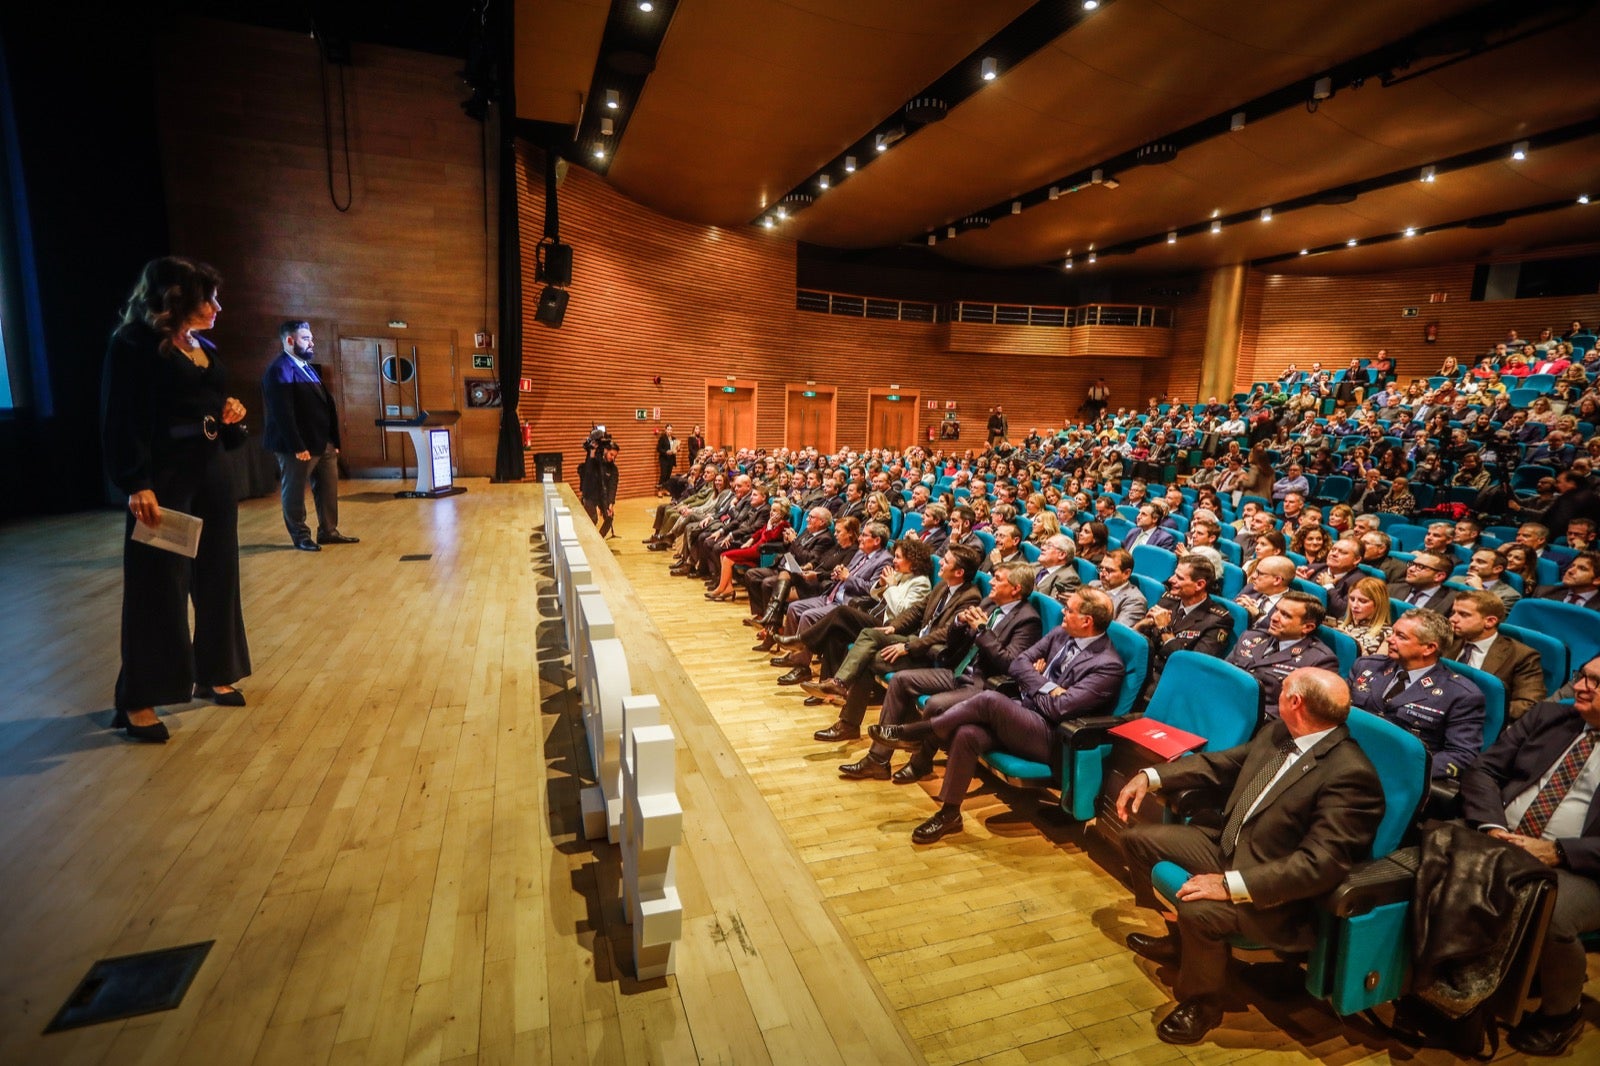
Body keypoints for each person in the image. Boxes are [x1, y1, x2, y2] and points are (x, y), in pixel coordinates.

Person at [1116, 668, 1384, 1045]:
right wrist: (1152, 776)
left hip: (1278, 895)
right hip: (1231, 848)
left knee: (1199, 909)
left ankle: (1203, 1001)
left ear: (1295, 703)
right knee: (1138, 840)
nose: (1277, 691)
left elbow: (1319, 865)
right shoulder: (1280, 732)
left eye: (1284, 687)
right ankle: (1181, 941)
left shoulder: (1350, 775)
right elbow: (1221, 764)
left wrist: (1229, 886)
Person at [101, 257, 252, 742]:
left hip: (212, 473)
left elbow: (208, 410)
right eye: (207, 297)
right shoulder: (133, 345)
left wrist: (229, 414)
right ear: (176, 299)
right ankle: (139, 698)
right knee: (158, 586)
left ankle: (214, 670)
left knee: (218, 575)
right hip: (165, 479)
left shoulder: (199, 345)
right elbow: (121, 418)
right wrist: (135, 481)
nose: (217, 306)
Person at [869, 588, 1124, 844]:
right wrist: (1045, 686)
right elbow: (1018, 664)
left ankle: (917, 733)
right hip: (1023, 712)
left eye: (1069, 609)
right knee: (968, 733)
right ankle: (949, 813)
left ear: (1087, 621)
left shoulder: (1107, 665)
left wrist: (1030, 684)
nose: (1062, 612)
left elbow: (1060, 710)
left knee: (990, 699)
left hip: (1052, 736)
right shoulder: (1061, 633)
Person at [1459, 657, 1600, 1056]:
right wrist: (1492, 826)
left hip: (1582, 868)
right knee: (1436, 859)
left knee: (1549, 911)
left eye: (1596, 682)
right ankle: (1452, 975)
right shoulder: (1551, 717)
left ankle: (1561, 1012)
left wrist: (1558, 851)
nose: (1581, 687)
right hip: (1503, 837)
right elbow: (1484, 770)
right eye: (1582, 676)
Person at [842, 558, 1042, 782]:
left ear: (1015, 589)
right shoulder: (989, 603)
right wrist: (958, 622)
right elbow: (956, 642)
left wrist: (984, 630)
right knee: (900, 680)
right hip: (956, 671)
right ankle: (877, 760)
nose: (991, 582)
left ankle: (920, 763)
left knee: (935, 704)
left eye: (998, 579)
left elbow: (1010, 664)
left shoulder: (1028, 620)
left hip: (983, 684)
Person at [1348, 608, 1485, 778]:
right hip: (1346, 755)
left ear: (1429, 648)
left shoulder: (1461, 695)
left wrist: (1407, 771)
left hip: (1396, 774)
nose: (1389, 639)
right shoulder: (1367, 666)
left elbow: (1462, 755)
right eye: (1393, 632)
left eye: (1401, 636)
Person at [262, 320, 357, 551]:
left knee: (327, 488)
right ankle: (300, 535)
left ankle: (328, 530)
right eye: (306, 338)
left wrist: (334, 440)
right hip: (298, 445)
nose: (311, 342)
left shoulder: (306, 367)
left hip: (322, 442)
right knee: (294, 490)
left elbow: (326, 405)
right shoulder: (280, 369)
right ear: (290, 340)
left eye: (311, 338)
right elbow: (282, 412)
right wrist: (297, 445)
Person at [1225, 591, 1338, 711]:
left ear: (1307, 627)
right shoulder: (1250, 637)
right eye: (1276, 610)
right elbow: (1223, 673)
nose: (1274, 618)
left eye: (1285, 615)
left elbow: (1298, 711)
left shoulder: (1318, 661)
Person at [1448, 590, 1544, 720]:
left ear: (1490, 621)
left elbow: (1528, 704)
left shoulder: (1522, 656)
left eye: (1464, 615)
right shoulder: (1446, 640)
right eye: (1453, 612)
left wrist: (1478, 711)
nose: (1453, 619)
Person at [1332, 576, 1391, 655]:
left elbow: (1374, 665)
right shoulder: (1341, 621)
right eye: (1352, 599)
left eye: (1363, 601)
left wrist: (1355, 645)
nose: (1354, 605)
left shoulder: (1387, 634)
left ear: (1378, 604)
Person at [578, 438, 621, 537]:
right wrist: (592, 452)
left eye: (615, 456)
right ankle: (587, 538)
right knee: (593, 519)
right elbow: (588, 470)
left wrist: (610, 503)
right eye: (611, 454)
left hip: (603, 495)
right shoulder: (595, 461)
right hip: (590, 494)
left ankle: (599, 539)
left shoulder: (613, 469)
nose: (613, 458)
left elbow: (612, 487)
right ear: (606, 451)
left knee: (609, 517)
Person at [655, 423, 677, 496]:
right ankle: (659, 490)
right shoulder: (662, 438)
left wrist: (677, 449)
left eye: (671, 430)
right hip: (664, 459)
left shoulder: (674, 439)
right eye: (668, 429)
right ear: (665, 430)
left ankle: (665, 489)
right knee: (663, 475)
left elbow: (675, 448)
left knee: (668, 475)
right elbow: (659, 449)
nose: (669, 431)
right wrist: (666, 452)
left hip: (671, 459)